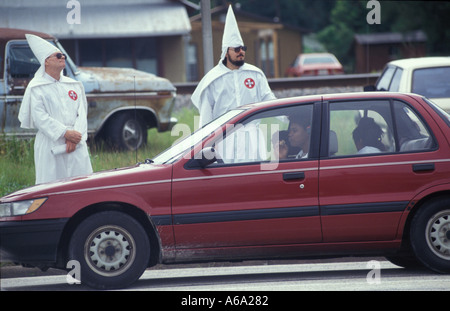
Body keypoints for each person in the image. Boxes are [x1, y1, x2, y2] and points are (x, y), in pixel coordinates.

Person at [18, 34, 92, 184]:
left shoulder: (74, 85)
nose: (62, 57)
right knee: (51, 186)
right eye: (58, 55)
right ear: (46, 61)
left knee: (81, 185)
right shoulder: (36, 87)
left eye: (63, 55)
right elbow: (40, 117)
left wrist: (75, 136)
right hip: (51, 143)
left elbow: (82, 112)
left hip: (76, 144)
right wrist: (65, 133)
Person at [191, 5, 276, 127]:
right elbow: (206, 117)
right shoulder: (213, 80)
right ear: (226, 52)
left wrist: (289, 116)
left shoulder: (255, 74)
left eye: (243, 48)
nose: (241, 52)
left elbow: (269, 101)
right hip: (224, 137)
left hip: (252, 136)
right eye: (236, 49)